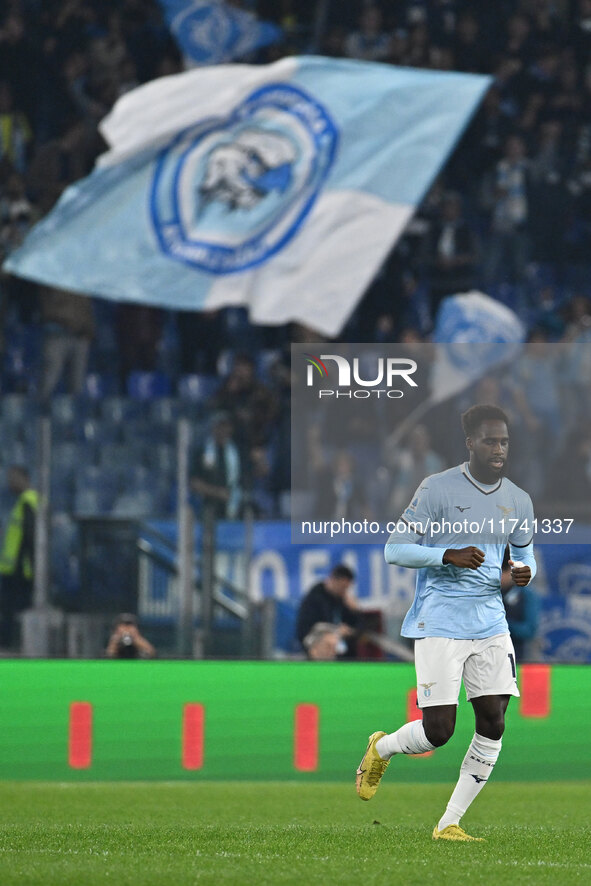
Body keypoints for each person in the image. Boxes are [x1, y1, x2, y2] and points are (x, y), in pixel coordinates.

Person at [355, 405, 536, 842]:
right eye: (490, 441)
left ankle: (449, 823)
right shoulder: (436, 489)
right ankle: (382, 747)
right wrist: (446, 555)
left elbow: (525, 555)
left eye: (505, 442)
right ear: (470, 443)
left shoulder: (519, 499)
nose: (499, 449)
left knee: (493, 722)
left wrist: (524, 572)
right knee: (439, 732)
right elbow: (394, 550)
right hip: (440, 620)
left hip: (491, 622)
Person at [0, 465, 38, 649]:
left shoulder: (28, 502)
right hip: (14, 568)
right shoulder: (24, 501)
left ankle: (11, 646)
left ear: (24, 478)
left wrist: (29, 565)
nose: (9, 482)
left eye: (13, 478)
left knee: (12, 612)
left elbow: (30, 537)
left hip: (19, 569)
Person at [296, 564, 359, 660]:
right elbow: (305, 630)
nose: (344, 591)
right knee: (328, 642)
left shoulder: (342, 600)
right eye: (342, 587)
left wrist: (355, 611)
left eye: (347, 588)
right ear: (333, 580)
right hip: (316, 650)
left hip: (342, 653)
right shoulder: (314, 599)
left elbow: (359, 627)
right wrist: (336, 631)